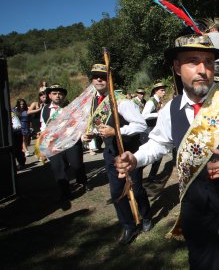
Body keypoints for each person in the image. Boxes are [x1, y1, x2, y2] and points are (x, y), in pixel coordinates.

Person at [114, 34, 219, 269]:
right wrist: (136, 158)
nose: (203, 69)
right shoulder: (169, 110)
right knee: (201, 262)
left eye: (209, 61)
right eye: (193, 61)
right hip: (194, 206)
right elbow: (158, 144)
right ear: (176, 67)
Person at [83, 64, 152, 245]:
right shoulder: (94, 103)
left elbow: (141, 125)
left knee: (136, 189)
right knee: (116, 192)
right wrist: (92, 133)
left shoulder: (122, 101)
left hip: (130, 152)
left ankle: (146, 216)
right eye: (95, 76)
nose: (99, 80)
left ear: (110, 79)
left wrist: (117, 131)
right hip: (111, 153)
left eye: (103, 76)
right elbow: (100, 127)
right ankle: (128, 226)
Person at [40, 84, 90, 205]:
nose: (57, 96)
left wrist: (83, 136)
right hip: (54, 144)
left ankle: (82, 181)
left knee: (76, 165)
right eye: (54, 93)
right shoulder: (45, 109)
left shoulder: (71, 107)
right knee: (57, 168)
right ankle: (65, 193)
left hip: (71, 141)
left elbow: (80, 123)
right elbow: (43, 126)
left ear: (64, 95)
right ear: (49, 95)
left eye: (60, 93)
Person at [141, 82, 166, 182]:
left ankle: (152, 176)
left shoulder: (158, 101)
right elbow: (144, 115)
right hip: (148, 132)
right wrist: (158, 114)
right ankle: (135, 171)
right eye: (162, 90)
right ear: (156, 91)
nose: (164, 92)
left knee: (158, 155)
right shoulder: (151, 102)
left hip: (155, 131)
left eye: (164, 90)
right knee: (149, 155)